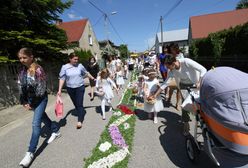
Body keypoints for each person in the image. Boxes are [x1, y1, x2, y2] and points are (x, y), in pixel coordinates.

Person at [18, 48, 60, 167]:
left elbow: (41, 89)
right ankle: (55, 130)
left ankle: (30, 152)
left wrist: (32, 103)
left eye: (24, 57)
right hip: (31, 100)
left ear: (31, 57)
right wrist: (24, 101)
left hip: (40, 99)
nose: (22, 60)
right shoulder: (21, 70)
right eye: (20, 58)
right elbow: (21, 87)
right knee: (42, 117)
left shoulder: (38, 69)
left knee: (35, 123)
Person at [153, 55, 207, 134]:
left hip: (195, 83)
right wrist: (155, 95)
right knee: (184, 104)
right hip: (183, 85)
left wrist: (200, 81)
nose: (168, 69)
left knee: (198, 102)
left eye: (168, 67)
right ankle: (186, 123)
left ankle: (204, 121)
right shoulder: (172, 71)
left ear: (173, 63)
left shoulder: (186, 62)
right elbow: (165, 83)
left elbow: (203, 69)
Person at [57, 52, 95, 129]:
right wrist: (59, 90)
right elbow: (62, 78)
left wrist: (92, 78)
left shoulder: (80, 66)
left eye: (77, 59)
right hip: (70, 88)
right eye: (74, 59)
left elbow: (86, 73)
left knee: (79, 103)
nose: (76, 61)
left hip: (80, 87)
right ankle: (80, 111)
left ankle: (80, 121)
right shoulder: (65, 67)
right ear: (70, 59)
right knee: (76, 103)